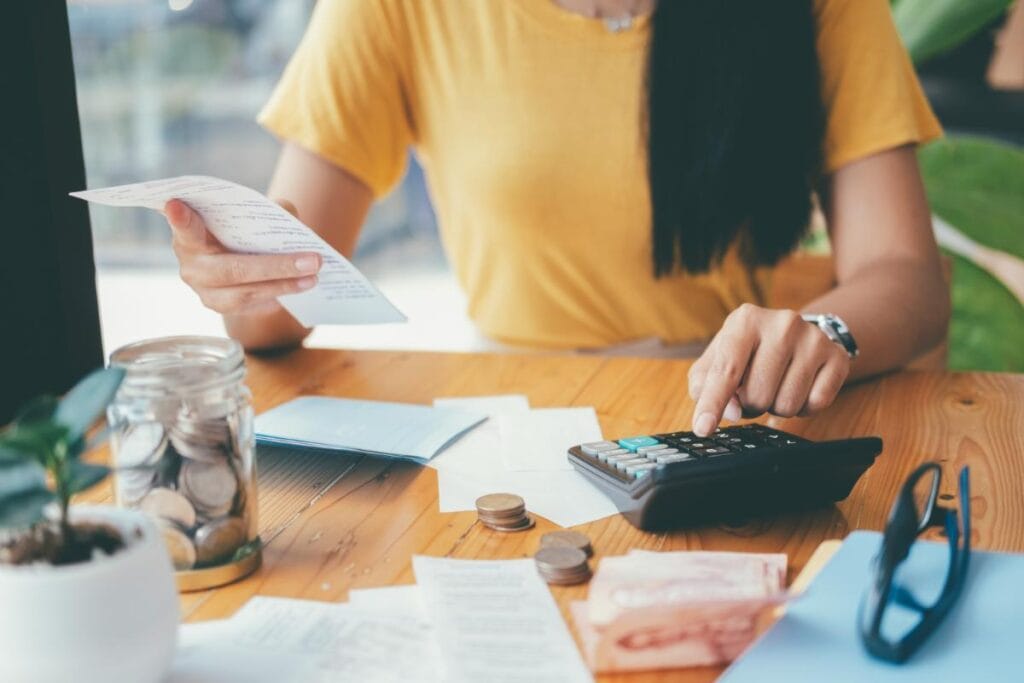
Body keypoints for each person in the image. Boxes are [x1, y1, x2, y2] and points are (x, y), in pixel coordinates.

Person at [163, 0, 949, 438]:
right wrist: (238, 271)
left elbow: (908, 277)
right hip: (507, 424)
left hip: (729, 419)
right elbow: (278, 311)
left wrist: (823, 333)